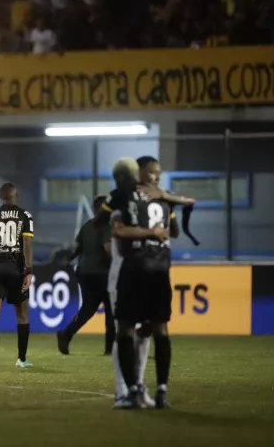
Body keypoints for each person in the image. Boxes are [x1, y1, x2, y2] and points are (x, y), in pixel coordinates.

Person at [105, 156, 192, 410]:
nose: (156, 177)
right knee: (132, 330)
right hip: (131, 269)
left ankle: (137, 388)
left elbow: (119, 231)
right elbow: (118, 232)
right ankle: (124, 390)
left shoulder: (133, 197)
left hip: (137, 269)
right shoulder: (140, 196)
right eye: (151, 172)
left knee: (139, 332)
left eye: (158, 172)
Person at [0, 183, 35, 369]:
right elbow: (26, 243)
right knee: (22, 315)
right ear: (16, 195)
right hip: (15, 270)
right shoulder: (24, 216)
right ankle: (21, 359)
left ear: (0, 197)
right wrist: (28, 270)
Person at [57, 195, 115, 356]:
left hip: (84, 272)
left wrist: (69, 261)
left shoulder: (87, 226)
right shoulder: (106, 226)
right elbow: (108, 249)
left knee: (88, 309)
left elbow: (77, 249)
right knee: (111, 309)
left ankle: (66, 333)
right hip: (102, 273)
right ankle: (110, 348)